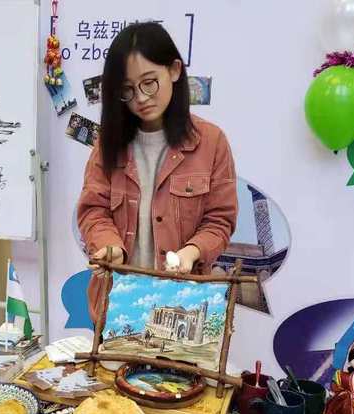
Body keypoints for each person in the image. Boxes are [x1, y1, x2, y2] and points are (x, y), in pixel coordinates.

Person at [77, 22, 238, 321]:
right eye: (127, 89)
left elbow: (220, 220)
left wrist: (191, 252)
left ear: (174, 70)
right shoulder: (107, 144)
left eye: (149, 82)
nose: (140, 98)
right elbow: (93, 210)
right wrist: (110, 246)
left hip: (184, 304)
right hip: (118, 304)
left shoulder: (211, 142)